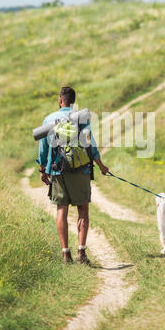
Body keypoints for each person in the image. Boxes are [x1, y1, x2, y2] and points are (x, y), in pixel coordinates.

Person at [37, 86, 109, 264]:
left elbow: (44, 148)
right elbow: (89, 145)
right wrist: (101, 166)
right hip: (81, 170)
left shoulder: (49, 119)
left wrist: (43, 170)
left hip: (57, 170)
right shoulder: (81, 118)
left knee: (62, 210)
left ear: (60, 100)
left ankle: (65, 254)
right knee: (83, 210)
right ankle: (81, 253)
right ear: (73, 102)